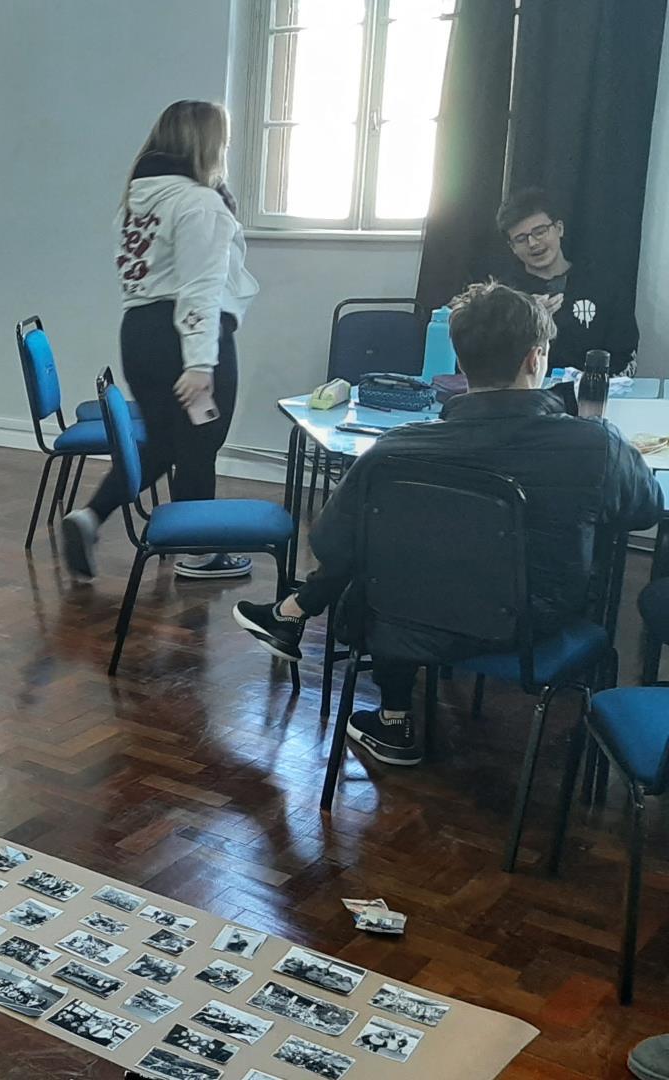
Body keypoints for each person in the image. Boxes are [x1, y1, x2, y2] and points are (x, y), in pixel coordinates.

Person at [232, 282, 656, 765]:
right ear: (536, 359)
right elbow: (642, 512)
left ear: (458, 363)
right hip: (529, 627)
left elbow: (331, 541)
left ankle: (392, 719)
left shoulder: (392, 451)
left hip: (410, 616)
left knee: (380, 572)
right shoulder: (596, 446)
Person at [63, 99, 261, 581]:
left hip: (140, 335)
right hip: (186, 337)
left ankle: (90, 517)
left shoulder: (135, 201)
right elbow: (201, 286)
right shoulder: (199, 203)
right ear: (204, 144)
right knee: (200, 440)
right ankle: (201, 551)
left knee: (165, 443)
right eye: (223, 143)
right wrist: (199, 362)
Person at [495, 187, 639, 375]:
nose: (533, 243)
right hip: (526, 397)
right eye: (521, 239)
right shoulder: (502, 296)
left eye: (540, 231)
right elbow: (490, 363)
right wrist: (526, 321)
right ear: (512, 247)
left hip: (591, 395)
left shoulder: (604, 286)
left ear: (559, 228)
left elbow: (624, 354)